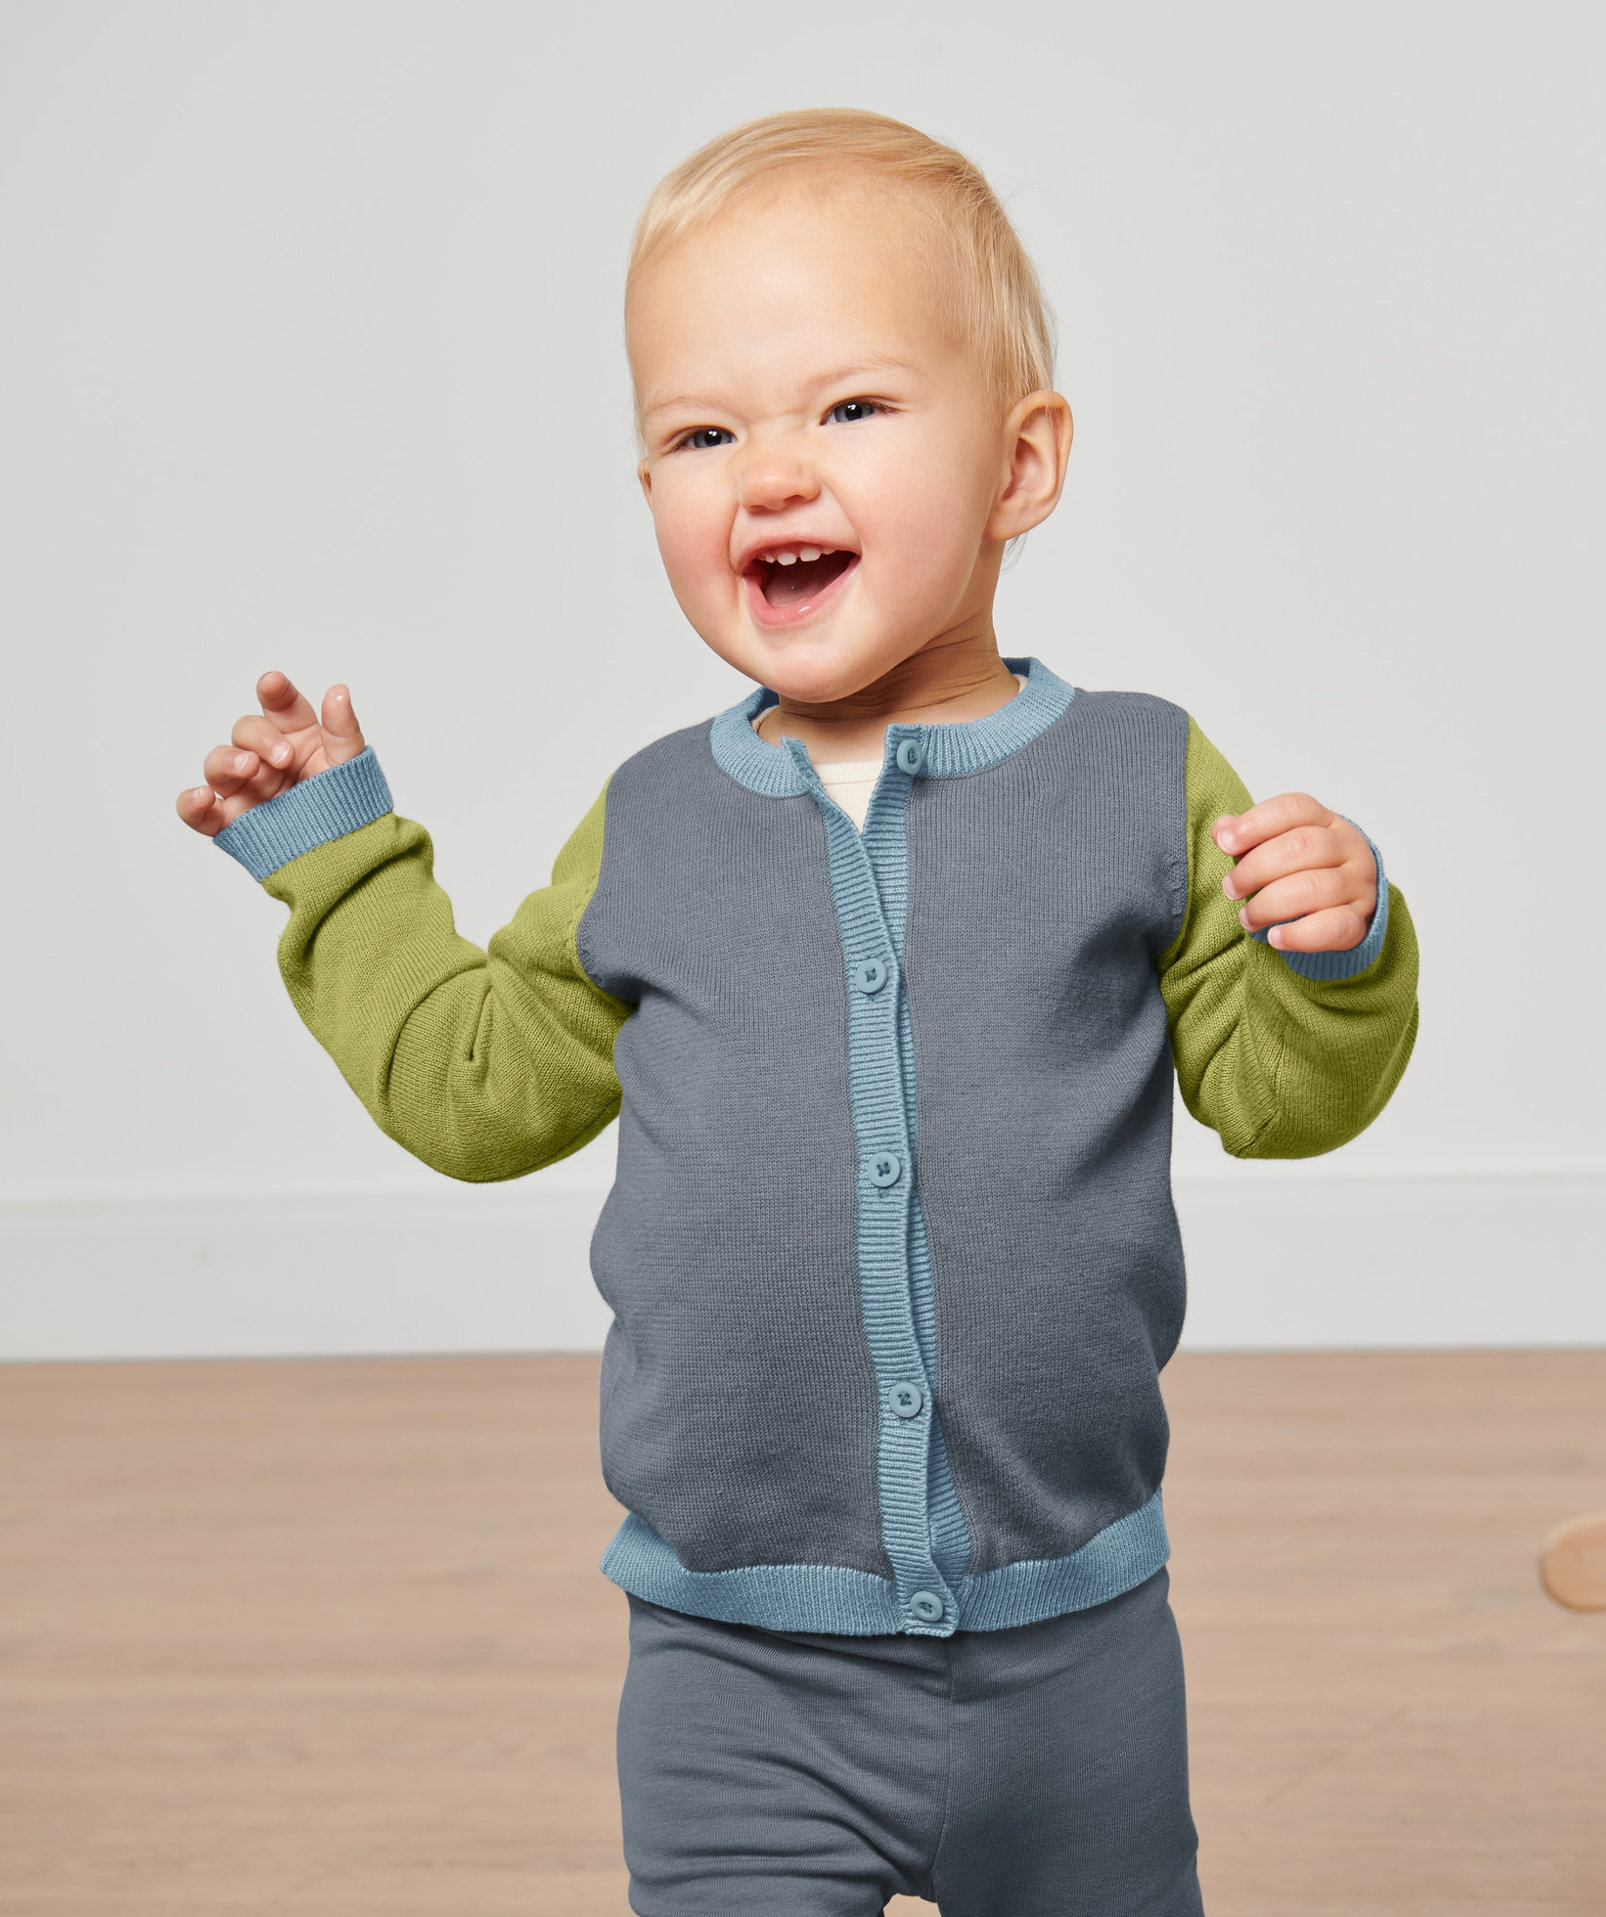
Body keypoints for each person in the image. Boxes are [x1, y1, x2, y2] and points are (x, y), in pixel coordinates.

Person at [175, 108, 1419, 1916]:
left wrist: (1331, 954)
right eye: (699, 432)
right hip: (731, 1674)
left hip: (1073, 1655)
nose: (766, 473)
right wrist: (342, 859)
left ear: (1021, 460)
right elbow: (474, 1091)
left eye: (846, 409)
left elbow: (1278, 1096)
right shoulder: (652, 824)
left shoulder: (1142, 779)